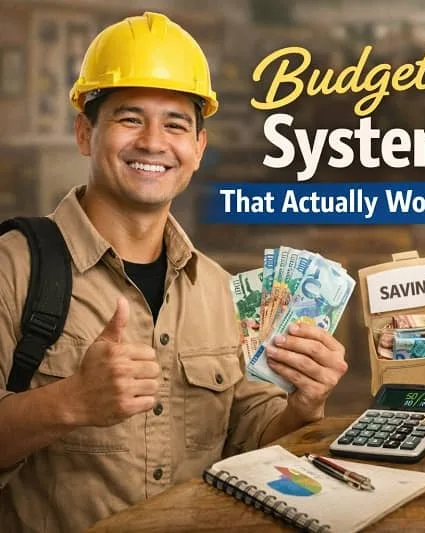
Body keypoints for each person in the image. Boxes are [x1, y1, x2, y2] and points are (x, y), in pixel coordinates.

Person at [0, 12, 348, 533]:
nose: (153, 142)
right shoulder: (13, 266)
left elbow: (248, 441)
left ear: (198, 149)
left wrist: (303, 404)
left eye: (176, 124)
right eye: (129, 118)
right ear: (84, 131)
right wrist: (69, 402)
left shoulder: (216, 289)